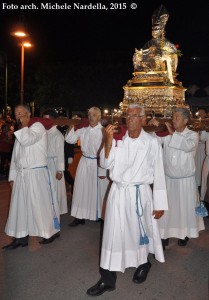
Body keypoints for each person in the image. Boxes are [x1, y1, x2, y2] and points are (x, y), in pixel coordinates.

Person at [87, 104, 168, 296]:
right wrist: (107, 140)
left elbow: (159, 173)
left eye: (134, 116)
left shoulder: (151, 142)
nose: (129, 119)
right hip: (118, 192)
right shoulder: (117, 140)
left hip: (140, 194)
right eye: (127, 116)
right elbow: (105, 164)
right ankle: (107, 279)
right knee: (112, 234)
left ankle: (143, 264)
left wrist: (160, 203)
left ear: (143, 119)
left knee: (137, 233)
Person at [2, 104, 60, 250]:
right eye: (16, 113)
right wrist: (12, 177)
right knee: (19, 207)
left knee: (40, 205)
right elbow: (16, 156)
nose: (18, 115)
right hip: (22, 175)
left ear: (29, 114)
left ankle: (51, 232)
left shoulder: (38, 126)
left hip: (36, 174)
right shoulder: (22, 130)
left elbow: (28, 140)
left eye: (21, 112)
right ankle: (21, 237)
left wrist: (24, 125)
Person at [150, 107, 205, 249]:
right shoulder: (167, 135)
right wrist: (152, 127)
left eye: (177, 118)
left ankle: (185, 233)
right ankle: (163, 235)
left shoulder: (192, 135)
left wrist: (171, 132)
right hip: (168, 180)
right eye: (173, 117)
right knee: (167, 210)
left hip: (185, 181)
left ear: (186, 120)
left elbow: (187, 146)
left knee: (184, 209)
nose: (173, 120)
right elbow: (152, 140)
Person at [65, 106, 109, 226]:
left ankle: (100, 215)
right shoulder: (83, 130)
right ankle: (80, 216)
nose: (91, 117)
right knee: (81, 188)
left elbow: (106, 151)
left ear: (99, 117)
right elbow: (69, 140)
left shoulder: (104, 132)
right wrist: (71, 124)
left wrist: (102, 170)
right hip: (84, 161)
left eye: (94, 115)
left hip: (98, 163)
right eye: (89, 115)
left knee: (99, 190)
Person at [133, 4, 178, 83]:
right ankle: (143, 72)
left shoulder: (166, 42)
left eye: (156, 29)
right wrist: (139, 53)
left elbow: (174, 53)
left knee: (158, 58)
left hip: (160, 63)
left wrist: (164, 55)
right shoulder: (150, 42)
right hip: (149, 62)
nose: (154, 32)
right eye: (153, 30)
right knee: (136, 56)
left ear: (161, 31)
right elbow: (143, 51)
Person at [43, 109, 68, 215]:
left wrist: (60, 170)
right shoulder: (43, 133)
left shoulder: (57, 135)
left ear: (53, 120)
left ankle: (55, 214)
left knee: (54, 190)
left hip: (53, 166)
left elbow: (60, 154)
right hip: (44, 164)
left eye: (46, 119)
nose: (44, 122)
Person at [194, 108, 207, 189]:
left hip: (204, 148)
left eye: (202, 113)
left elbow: (203, 138)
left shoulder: (206, 123)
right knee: (197, 166)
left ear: (206, 114)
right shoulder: (196, 122)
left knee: (202, 166)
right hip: (197, 148)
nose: (200, 115)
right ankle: (197, 183)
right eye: (199, 113)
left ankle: (202, 184)